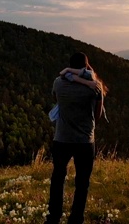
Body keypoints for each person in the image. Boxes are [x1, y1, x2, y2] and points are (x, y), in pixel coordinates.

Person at [45, 52, 107, 224]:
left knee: (58, 177)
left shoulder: (58, 83)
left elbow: (55, 98)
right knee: (82, 182)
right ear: (86, 67)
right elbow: (98, 114)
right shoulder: (95, 88)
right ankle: (76, 218)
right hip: (84, 141)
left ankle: (53, 217)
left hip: (62, 138)